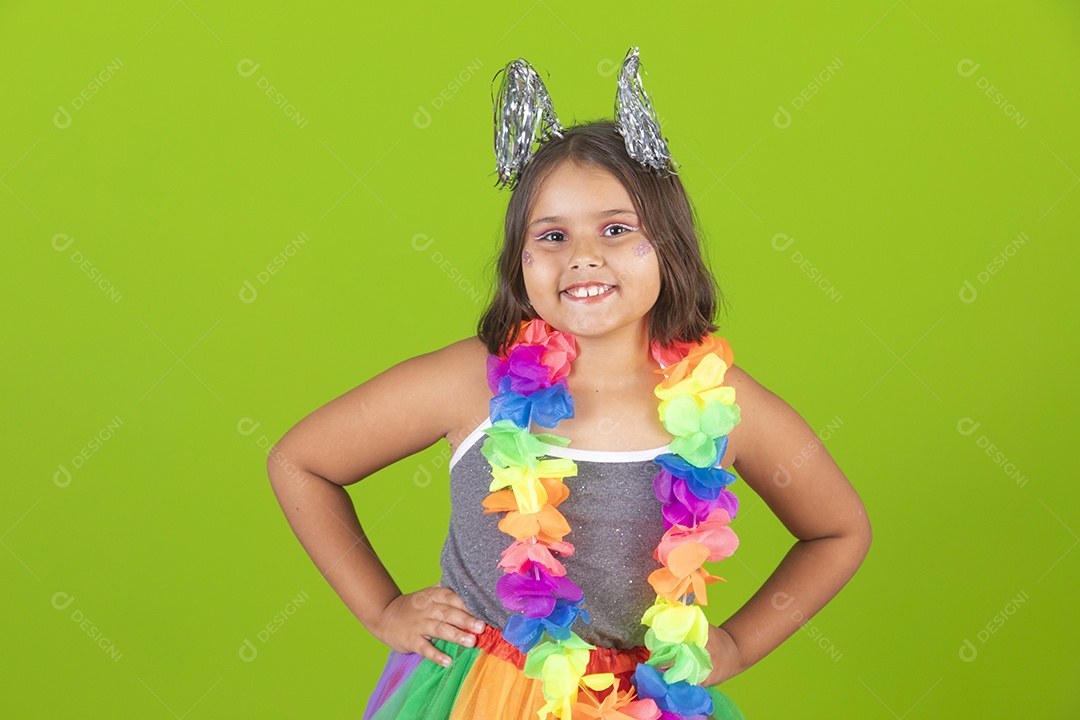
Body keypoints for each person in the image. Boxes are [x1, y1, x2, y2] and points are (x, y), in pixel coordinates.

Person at [267, 49, 871, 720]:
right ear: (518, 260)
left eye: (617, 229)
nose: (583, 254)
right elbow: (302, 462)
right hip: (486, 697)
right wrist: (382, 608)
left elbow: (838, 531)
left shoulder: (722, 403)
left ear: (669, 247)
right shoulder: (470, 383)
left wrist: (734, 645)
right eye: (552, 234)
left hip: (637, 702)